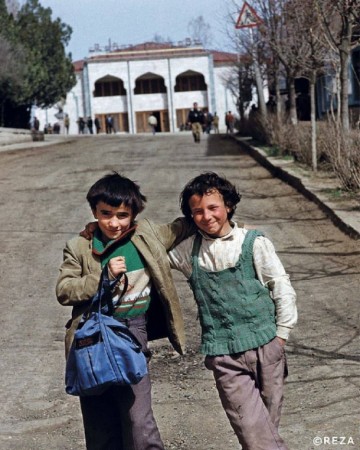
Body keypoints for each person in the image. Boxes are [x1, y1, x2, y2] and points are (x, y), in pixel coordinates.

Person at [56, 172, 193, 450]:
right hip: (93, 338)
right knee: (100, 426)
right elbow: (64, 290)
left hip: (133, 333)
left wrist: (233, 228)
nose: (114, 223)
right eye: (106, 214)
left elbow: (184, 226)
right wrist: (102, 277)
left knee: (139, 422)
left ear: (133, 214)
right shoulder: (80, 246)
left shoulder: (147, 234)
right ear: (94, 211)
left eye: (122, 215)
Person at [168, 172, 297, 450]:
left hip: (267, 347)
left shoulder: (253, 242)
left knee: (266, 429)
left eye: (213, 207)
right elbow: (151, 255)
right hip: (224, 355)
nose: (207, 216)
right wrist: (98, 232)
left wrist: (281, 337)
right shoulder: (189, 251)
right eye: (197, 212)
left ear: (228, 205)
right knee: (251, 429)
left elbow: (280, 285)